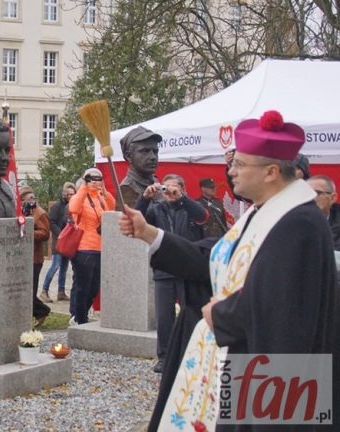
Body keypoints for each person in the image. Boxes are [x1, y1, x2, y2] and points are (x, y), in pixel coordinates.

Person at [120, 110, 337, 431]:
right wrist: (149, 233)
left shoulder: (300, 223)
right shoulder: (265, 211)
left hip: (271, 379)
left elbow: (285, 311)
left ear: (271, 172)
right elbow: (216, 259)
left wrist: (222, 314)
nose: (231, 171)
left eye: (240, 164)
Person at [135, 174, 207, 374]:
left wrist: (182, 198)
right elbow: (137, 218)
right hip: (164, 269)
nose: (169, 192)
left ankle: (191, 354)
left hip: (187, 269)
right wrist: (145, 197)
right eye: (165, 189)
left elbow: (202, 216)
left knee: (190, 313)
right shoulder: (156, 210)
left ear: (183, 189)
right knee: (164, 318)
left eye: (174, 188)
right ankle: (164, 357)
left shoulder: (189, 208)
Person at [68, 168, 115, 325]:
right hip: (84, 248)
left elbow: (112, 207)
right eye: (92, 179)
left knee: (94, 287)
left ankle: (78, 315)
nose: (95, 181)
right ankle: (80, 319)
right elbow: (73, 208)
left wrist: (103, 189)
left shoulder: (100, 197)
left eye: (98, 178)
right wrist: (84, 186)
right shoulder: (81, 196)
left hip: (100, 247)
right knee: (83, 287)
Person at [20, 186, 52, 327]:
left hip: (34, 259)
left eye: (33, 198)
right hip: (22, 257)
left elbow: (45, 234)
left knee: (29, 292)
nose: (31, 201)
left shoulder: (39, 213)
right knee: (22, 291)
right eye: (28, 198)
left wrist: (28, 233)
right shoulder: (21, 212)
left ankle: (42, 311)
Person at [41, 182, 75, 302]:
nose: (71, 196)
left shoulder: (74, 205)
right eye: (69, 194)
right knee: (55, 265)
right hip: (59, 241)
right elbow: (51, 222)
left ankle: (61, 291)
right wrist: (61, 233)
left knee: (64, 267)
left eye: (73, 194)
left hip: (69, 241)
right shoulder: (57, 206)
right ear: (65, 194)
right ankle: (44, 290)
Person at [118, 126, 163, 210]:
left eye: (155, 151)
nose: (153, 157)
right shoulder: (127, 188)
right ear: (129, 156)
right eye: (145, 151)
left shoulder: (154, 182)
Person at [307, 175, 340, 250]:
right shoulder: (291, 218)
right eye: (306, 194)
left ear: (332, 198)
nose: (309, 198)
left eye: (316, 193)